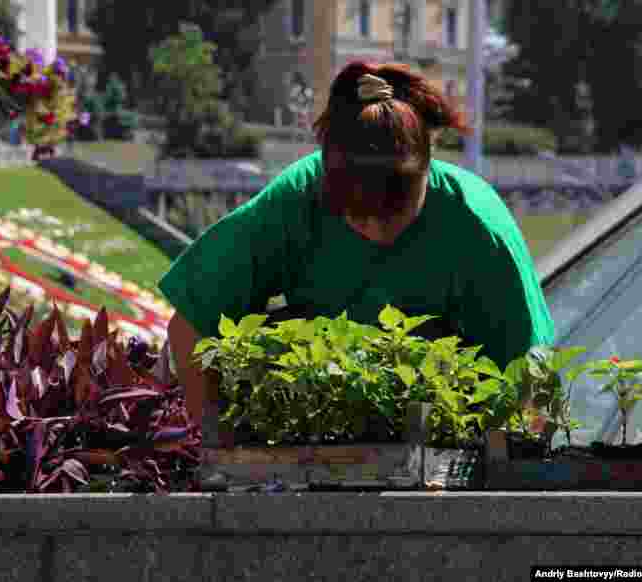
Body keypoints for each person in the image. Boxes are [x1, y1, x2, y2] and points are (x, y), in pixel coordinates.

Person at [158, 62, 556, 426]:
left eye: (394, 213)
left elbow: (529, 374)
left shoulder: (477, 226)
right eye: (357, 214)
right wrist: (216, 444)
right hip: (313, 430)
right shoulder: (295, 200)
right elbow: (192, 325)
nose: (377, 231)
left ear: (427, 169)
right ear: (327, 181)